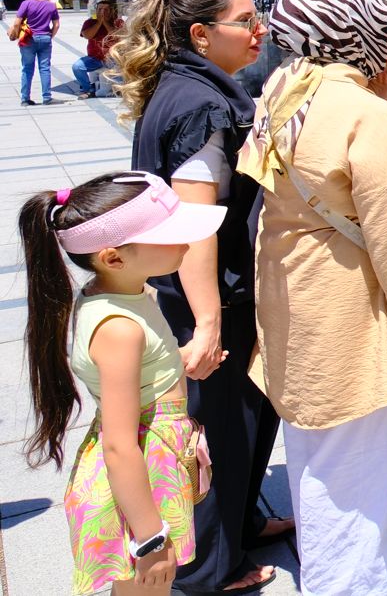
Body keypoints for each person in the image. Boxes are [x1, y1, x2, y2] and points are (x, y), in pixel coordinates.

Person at [240, 0, 387, 596]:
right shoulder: (366, 116)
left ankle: (364, 553)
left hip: (291, 296)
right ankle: (351, 581)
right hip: (347, 310)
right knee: (355, 458)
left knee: (315, 454)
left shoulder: (283, 89)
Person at [113, 0, 287, 594]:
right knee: (216, 436)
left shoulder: (189, 86)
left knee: (239, 427)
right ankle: (211, 569)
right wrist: (209, 322)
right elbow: (195, 224)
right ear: (201, 34)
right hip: (209, 297)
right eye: (245, 19)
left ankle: (240, 526)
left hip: (206, 292)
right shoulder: (204, 105)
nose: (258, 27)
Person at [20, 171, 226, 596]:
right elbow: (119, 444)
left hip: (152, 464)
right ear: (114, 258)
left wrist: (176, 364)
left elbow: (136, 376)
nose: (186, 242)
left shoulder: (126, 294)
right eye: (171, 235)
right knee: (145, 587)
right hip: (139, 477)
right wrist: (150, 539)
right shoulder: (119, 327)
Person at [13, 0, 61, 106]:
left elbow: (17, 23)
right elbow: (56, 25)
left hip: (29, 39)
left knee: (27, 68)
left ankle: (25, 98)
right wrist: (50, 36)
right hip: (45, 37)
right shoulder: (51, 5)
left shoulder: (26, 4)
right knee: (44, 68)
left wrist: (16, 35)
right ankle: (47, 97)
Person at [75, 0, 125, 99]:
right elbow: (88, 35)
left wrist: (105, 22)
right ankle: (88, 89)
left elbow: (117, 36)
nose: (103, 12)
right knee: (77, 67)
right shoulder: (89, 22)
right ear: (96, 11)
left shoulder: (118, 22)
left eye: (106, 10)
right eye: (100, 9)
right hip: (95, 58)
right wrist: (99, 23)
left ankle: (118, 88)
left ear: (111, 11)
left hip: (113, 58)